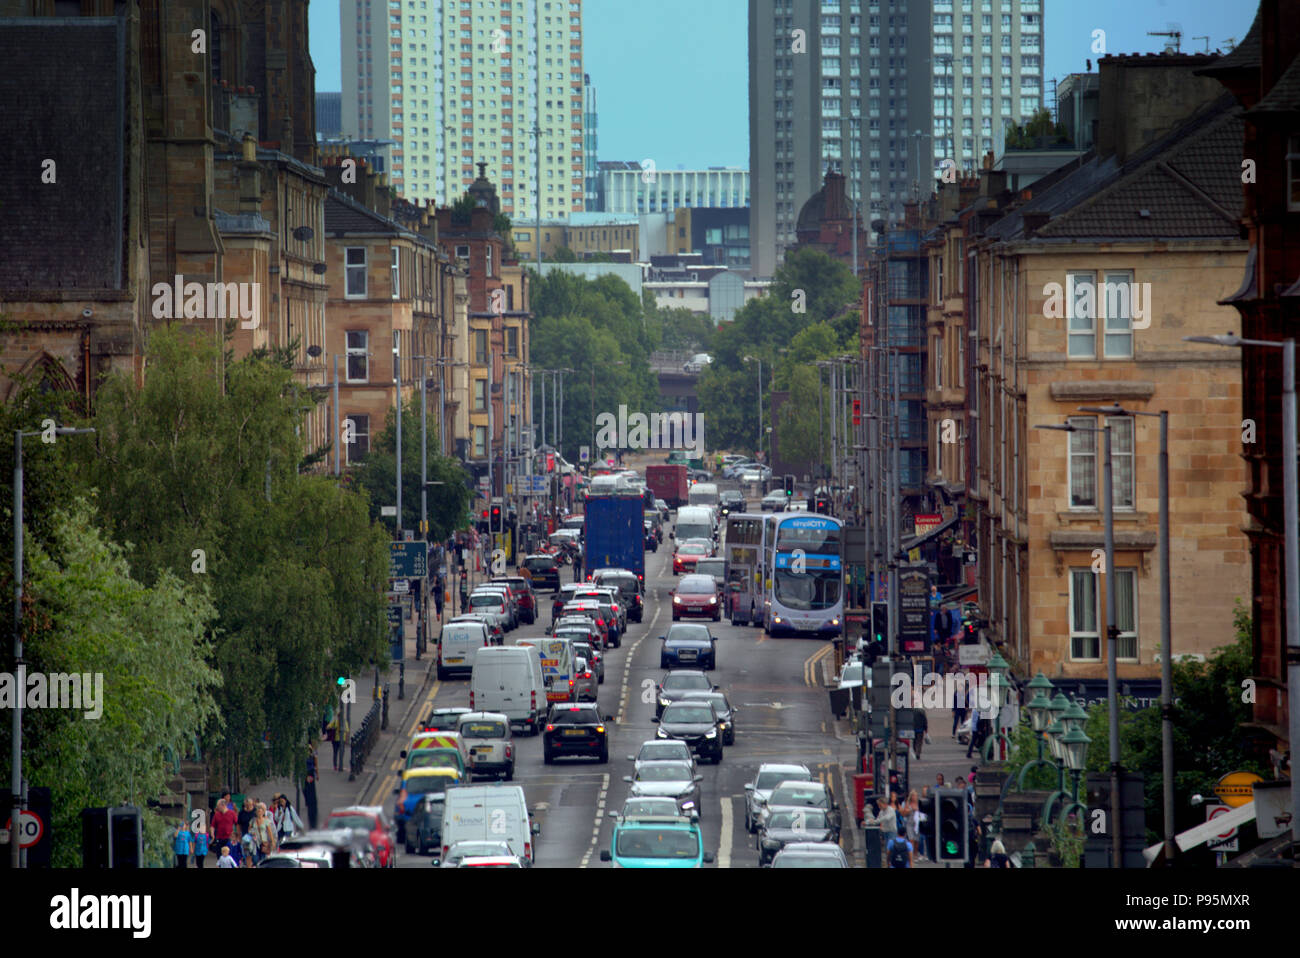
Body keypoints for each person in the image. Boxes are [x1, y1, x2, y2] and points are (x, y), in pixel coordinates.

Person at [303, 744, 320, 829]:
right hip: (303, 773)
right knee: (304, 789)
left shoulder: (313, 753)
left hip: (310, 773)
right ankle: (307, 799)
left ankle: (309, 800)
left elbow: (316, 764)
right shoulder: (302, 754)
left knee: (309, 788)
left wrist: (317, 774)